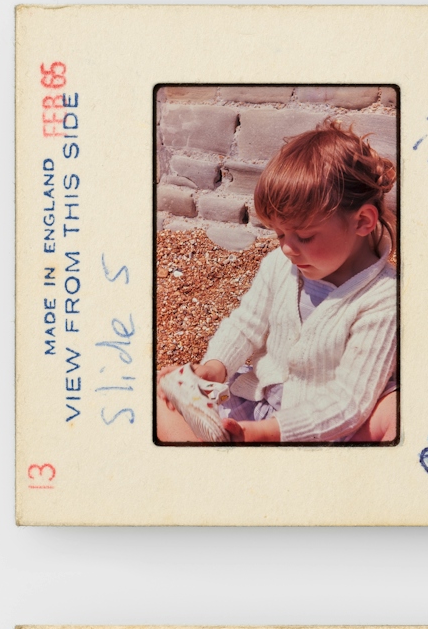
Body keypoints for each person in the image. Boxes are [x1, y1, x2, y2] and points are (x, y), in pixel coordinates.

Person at [158, 118, 397, 444]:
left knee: (394, 414)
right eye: (280, 233)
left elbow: (349, 401)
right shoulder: (279, 265)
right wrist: (216, 368)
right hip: (261, 397)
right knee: (161, 398)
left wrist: (265, 434)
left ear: (363, 222)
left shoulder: (383, 299)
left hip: (325, 421)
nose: (287, 247)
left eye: (305, 236)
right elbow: (245, 325)